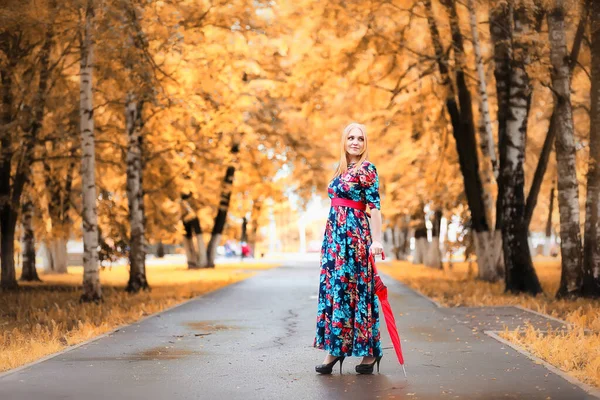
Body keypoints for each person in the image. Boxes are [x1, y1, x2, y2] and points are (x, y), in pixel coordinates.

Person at [314, 122, 384, 375]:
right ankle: (336, 348)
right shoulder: (341, 169)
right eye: (351, 137)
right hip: (334, 238)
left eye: (361, 139)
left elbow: (374, 207)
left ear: (366, 144)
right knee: (336, 292)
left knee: (356, 292)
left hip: (354, 238)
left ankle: (368, 352)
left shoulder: (367, 168)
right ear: (344, 141)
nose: (355, 142)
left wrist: (376, 240)